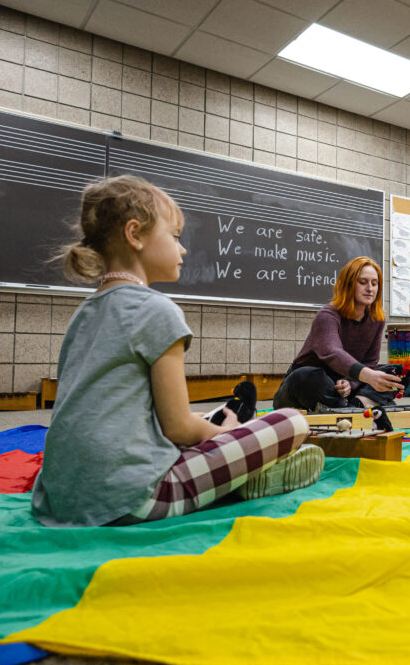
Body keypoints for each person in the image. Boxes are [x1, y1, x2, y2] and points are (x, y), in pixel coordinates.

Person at [32, 175, 323, 527]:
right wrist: (227, 435)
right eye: (174, 236)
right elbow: (178, 430)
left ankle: (236, 471)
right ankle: (238, 482)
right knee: (291, 421)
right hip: (133, 498)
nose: (183, 249)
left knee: (213, 415)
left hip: (58, 499)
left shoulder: (84, 313)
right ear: (135, 234)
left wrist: (209, 427)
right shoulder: (156, 310)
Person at [273, 256, 404, 411]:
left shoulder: (377, 319)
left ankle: (353, 405)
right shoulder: (327, 315)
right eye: (363, 282)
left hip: (344, 385)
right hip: (310, 382)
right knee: (307, 376)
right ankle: (359, 404)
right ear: (349, 284)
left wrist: (350, 382)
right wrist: (367, 376)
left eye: (374, 283)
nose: (370, 288)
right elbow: (332, 352)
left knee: (393, 374)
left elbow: (370, 362)